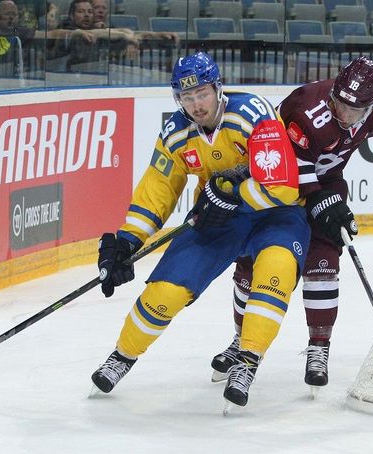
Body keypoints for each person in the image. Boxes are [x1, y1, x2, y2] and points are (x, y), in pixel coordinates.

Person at [210, 56, 373, 388]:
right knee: (253, 267)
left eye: (355, 109)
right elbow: (290, 161)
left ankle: (319, 349)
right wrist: (318, 198)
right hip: (279, 188)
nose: (344, 113)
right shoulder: (305, 108)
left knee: (323, 264)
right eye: (339, 103)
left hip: (329, 185)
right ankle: (240, 340)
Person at [90, 51, 311, 411]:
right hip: (217, 219)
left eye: (202, 94)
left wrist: (233, 196)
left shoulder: (252, 113)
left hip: (277, 214)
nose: (196, 104)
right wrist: (128, 240)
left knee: (275, 272)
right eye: (186, 97)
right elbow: (158, 189)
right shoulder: (175, 132)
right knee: (165, 292)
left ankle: (247, 360)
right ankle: (122, 356)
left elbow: (283, 186)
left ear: (218, 87)